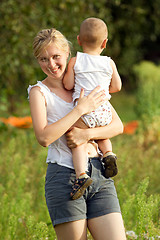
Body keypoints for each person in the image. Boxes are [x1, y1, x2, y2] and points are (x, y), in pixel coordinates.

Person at [28, 27, 126, 240]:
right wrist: (79, 110)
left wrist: (86, 135)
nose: (51, 64)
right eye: (43, 59)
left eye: (56, 57)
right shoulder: (39, 93)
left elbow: (118, 126)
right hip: (65, 178)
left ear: (67, 54)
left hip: (100, 174)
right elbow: (44, 137)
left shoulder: (84, 81)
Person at [63, 17, 122, 200]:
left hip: (85, 108)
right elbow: (118, 86)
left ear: (79, 40)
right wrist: (104, 91)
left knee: (78, 141)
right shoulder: (109, 62)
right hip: (103, 107)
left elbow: (67, 84)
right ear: (105, 42)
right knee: (101, 134)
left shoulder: (76, 61)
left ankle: (81, 176)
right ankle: (108, 153)